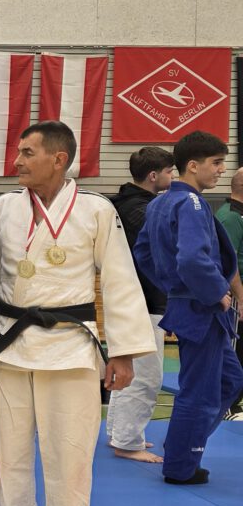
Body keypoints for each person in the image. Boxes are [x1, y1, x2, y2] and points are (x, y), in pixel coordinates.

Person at [0, 120, 154, 506]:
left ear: (58, 159)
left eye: (27, 152)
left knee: (71, 455)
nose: (17, 161)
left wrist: (123, 352)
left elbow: (120, 279)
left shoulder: (96, 209)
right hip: (10, 342)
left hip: (71, 345)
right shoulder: (3, 207)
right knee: (8, 452)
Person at [134, 131, 243, 485]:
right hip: (202, 308)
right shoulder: (191, 203)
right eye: (216, 163)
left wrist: (174, 288)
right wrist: (214, 292)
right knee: (200, 390)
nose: (221, 170)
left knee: (230, 379)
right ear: (193, 166)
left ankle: (184, 443)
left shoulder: (159, 203)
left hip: (189, 303)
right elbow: (194, 259)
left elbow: (143, 254)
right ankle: (180, 465)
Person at [106, 146, 176, 462]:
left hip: (136, 299)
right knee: (147, 375)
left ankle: (119, 433)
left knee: (130, 371)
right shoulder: (141, 209)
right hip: (143, 301)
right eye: (170, 172)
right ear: (153, 175)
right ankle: (127, 441)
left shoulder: (129, 204)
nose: (173, 177)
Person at [215, 167, 243, 420]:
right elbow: (228, 263)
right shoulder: (230, 217)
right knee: (233, 352)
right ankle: (228, 406)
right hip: (234, 297)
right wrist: (240, 298)